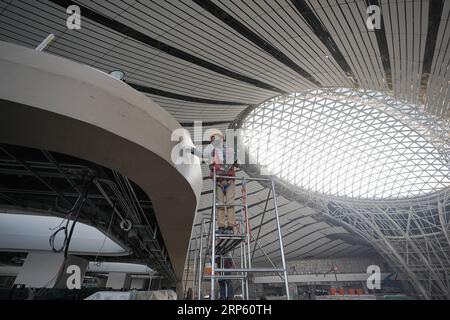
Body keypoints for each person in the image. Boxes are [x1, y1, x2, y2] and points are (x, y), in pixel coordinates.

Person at [190, 129, 238, 234]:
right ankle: (221, 226)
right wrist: (192, 150)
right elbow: (202, 153)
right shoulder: (211, 153)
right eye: (213, 140)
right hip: (219, 182)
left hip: (229, 181)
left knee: (229, 203)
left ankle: (230, 226)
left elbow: (234, 161)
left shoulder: (229, 151)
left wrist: (234, 161)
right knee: (220, 204)